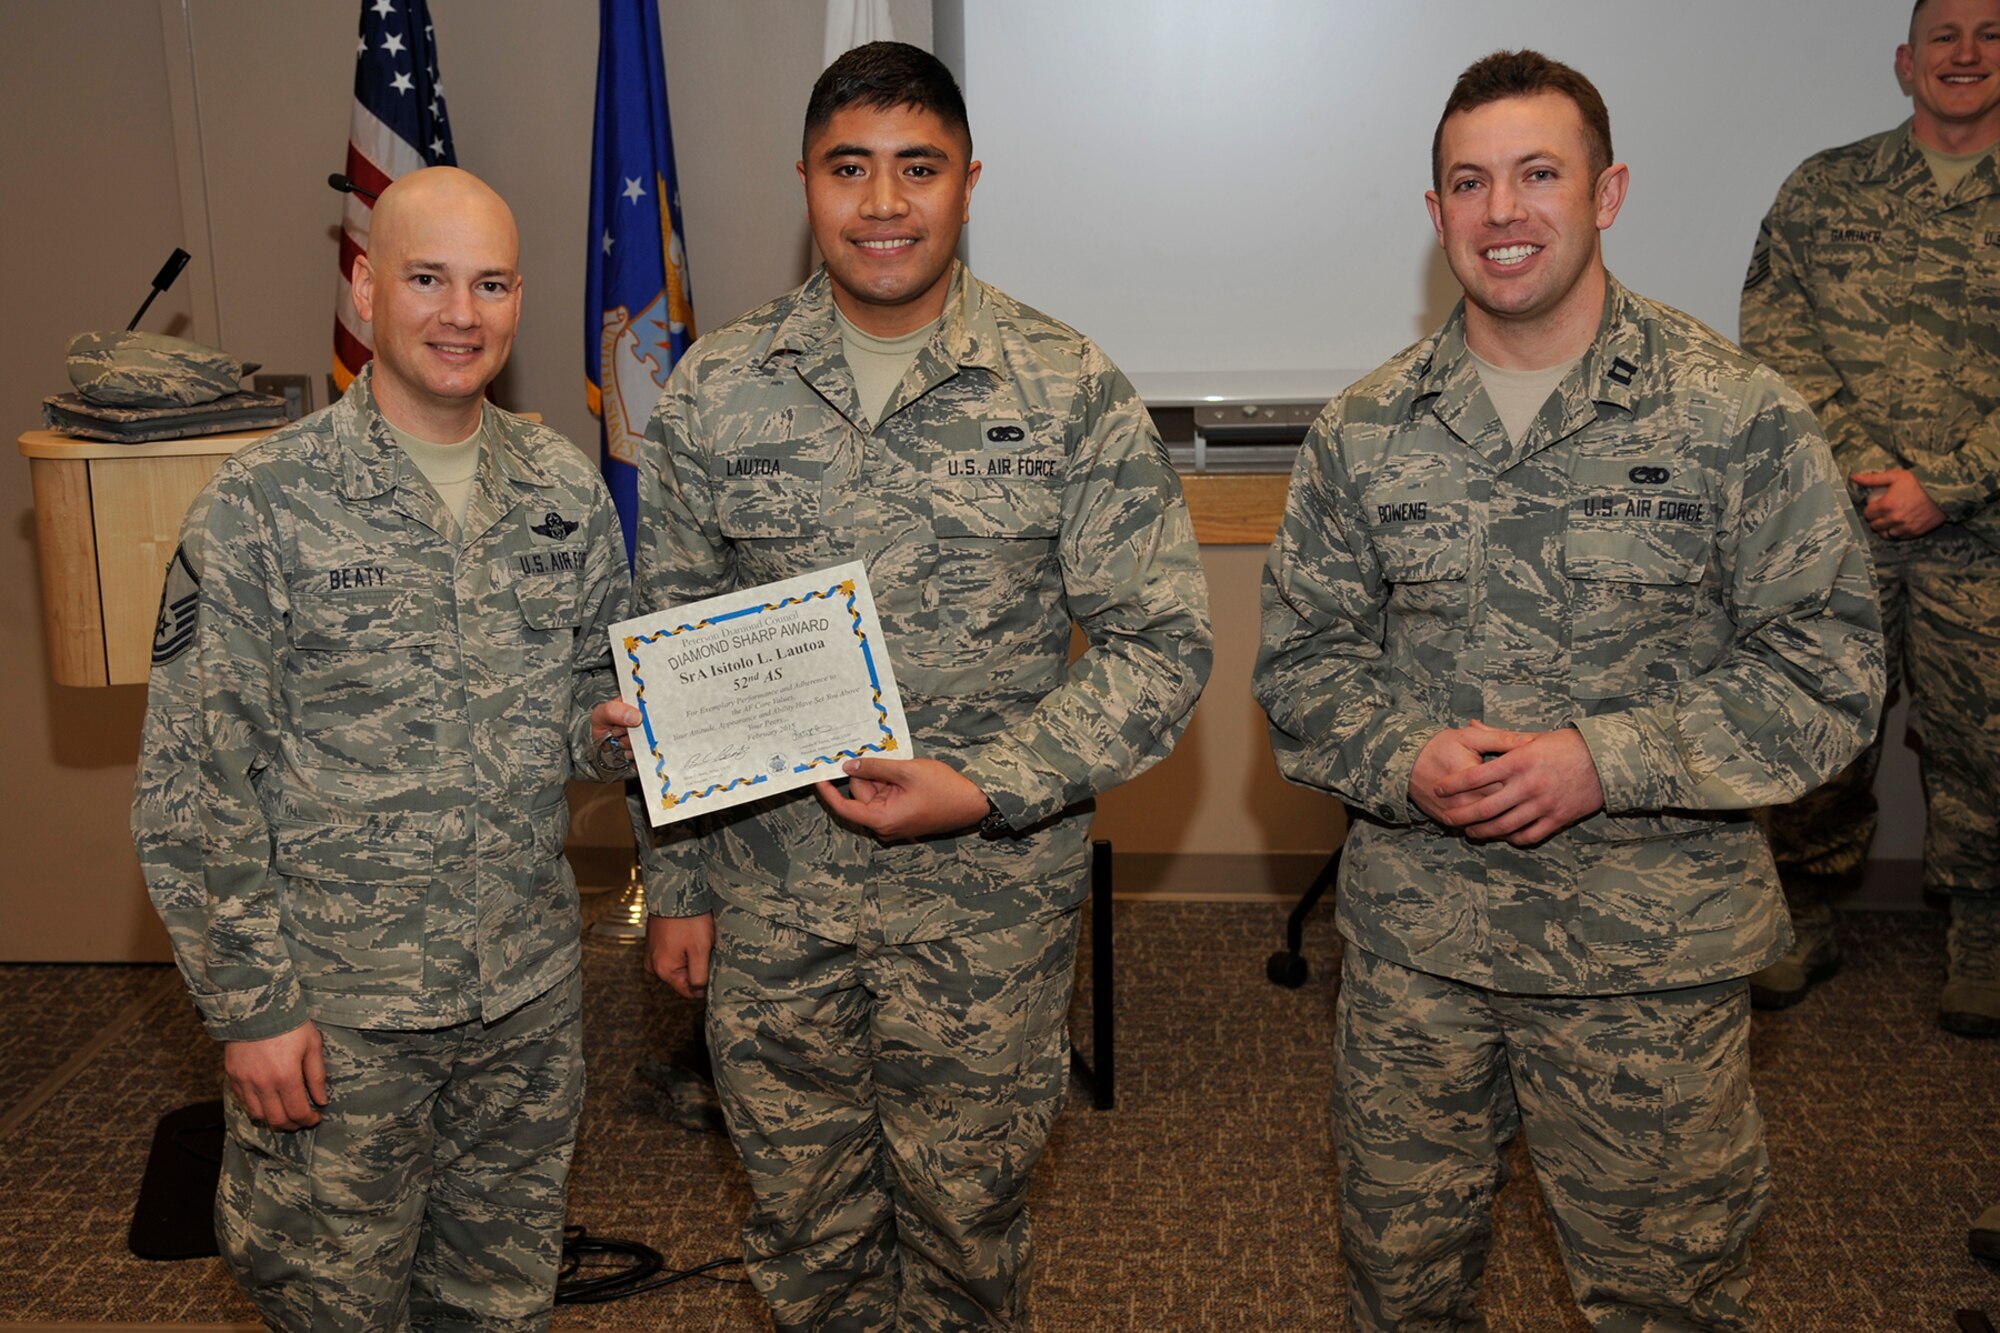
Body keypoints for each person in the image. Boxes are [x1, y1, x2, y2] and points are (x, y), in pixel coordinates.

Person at [1255, 50, 1883, 1330]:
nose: (1502, 212)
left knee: (1665, 1299)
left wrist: (1607, 758)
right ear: (1433, 216)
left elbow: (1826, 668)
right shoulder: (1364, 430)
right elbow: (1303, 665)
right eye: (1469, 183)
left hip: (1643, 964)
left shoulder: (1734, 415)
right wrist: (1399, 757)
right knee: (1400, 1289)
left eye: (1538, 174)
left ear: (1607, 193)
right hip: (1418, 966)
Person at [630, 41, 1211, 1331]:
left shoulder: (1063, 386)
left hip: (986, 913)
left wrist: (981, 785)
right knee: (798, 1233)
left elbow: (1159, 648)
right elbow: (662, 644)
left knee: (964, 1234)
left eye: (916, 167)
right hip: (770, 899)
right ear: (804, 183)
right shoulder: (717, 390)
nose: (881, 202)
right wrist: (673, 887)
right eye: (849, 169)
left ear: (967, 182)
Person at [132, 166, 638, 1331]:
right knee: (331, 1305)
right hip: (340, 1016)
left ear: (519, 300)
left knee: (500, 1301)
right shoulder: (264, 503)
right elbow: (196, 781)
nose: (461, 313)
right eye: (427, 278)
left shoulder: (563, 487)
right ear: (364, 288)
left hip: (521, 997)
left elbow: (584, 702)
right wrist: (250, 1005)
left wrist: (622, 729)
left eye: (491, 283)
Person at [1740, 0, 2000, 1037]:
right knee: (1818, 728)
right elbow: (1773, 332)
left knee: (1983, 742)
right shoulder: (1822, 188)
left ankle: (1981, 930)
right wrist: (1865, 467)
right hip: (1840, 529)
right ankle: (1800, 908)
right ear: (1903, 61)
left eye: (1989, 33)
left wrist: (1948, 480)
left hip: (1982, 538)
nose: (1965, 53)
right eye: (1943, 35)